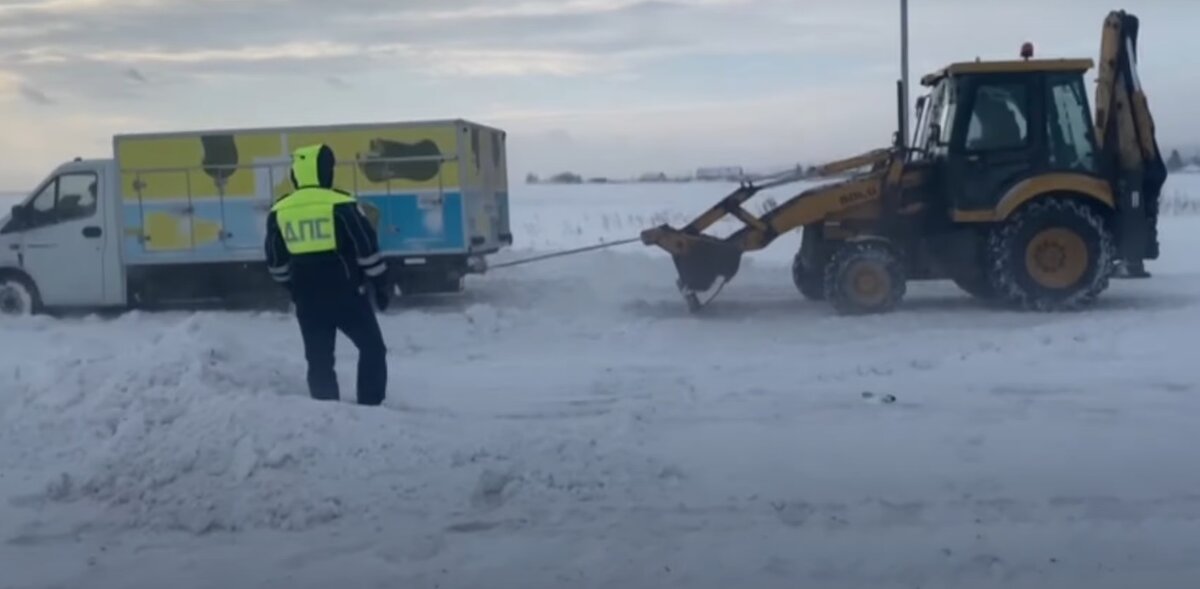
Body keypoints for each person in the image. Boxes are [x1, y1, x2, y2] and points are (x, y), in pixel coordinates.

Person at [264, 143, 391, 406]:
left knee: (319, 360)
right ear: (324, 172)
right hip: (347, 296)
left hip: (307, 300)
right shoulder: (342, 203)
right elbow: (366, 250)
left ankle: (326, 412)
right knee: (372, 349)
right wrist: (380, 285)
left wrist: (294, 287)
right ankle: (370, 406)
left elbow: (276, 262)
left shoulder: (279, 210)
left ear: (296, 174)